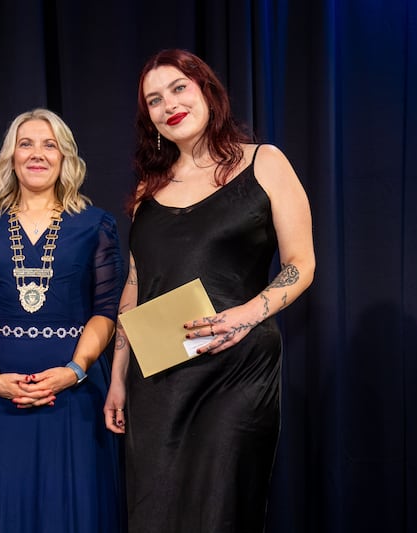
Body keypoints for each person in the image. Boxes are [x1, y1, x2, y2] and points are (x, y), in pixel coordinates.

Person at [103, 49, 316, 532]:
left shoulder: (265, 162)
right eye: (154, 100)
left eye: (179, 88)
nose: (169, 104)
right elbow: (134, 289)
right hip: (156, 379)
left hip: (235, 370)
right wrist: (117, 376)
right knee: (155, 515)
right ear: (150, 119)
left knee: (222, 511)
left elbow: (301, 264)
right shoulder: (146, 192)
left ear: (207, 92)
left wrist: (248, 313)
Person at [0, 108, 125, 533]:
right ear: (10, 156)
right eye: (26, 143)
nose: (37, 154)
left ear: (65, 156)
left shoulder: (95, 224)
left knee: (71, 508)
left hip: (75, 394)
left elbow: (107, 312)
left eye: (50, 144)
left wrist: (74, 371)